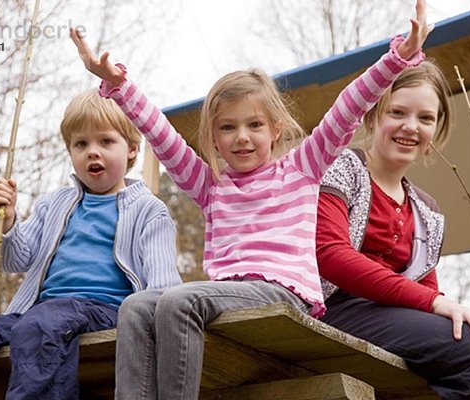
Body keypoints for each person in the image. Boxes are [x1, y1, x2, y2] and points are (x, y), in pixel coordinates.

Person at [71, 1, 431, 398]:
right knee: (136, 307)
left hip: (284, 291)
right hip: (228, 292)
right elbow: (162, 135)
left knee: (178, 302)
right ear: (214, 137)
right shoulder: (212, 185)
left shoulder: (302, 167)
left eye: (254, 124)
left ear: (275, 129)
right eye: (228, 127)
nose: (242, 136)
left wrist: (396, 59)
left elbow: (348, 107)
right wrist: (120, 87)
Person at [316, 59, 470, 399]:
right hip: (338, 309)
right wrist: (436, 303)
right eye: (397, 113)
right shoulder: (340, 167)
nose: (411, 127)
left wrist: (440, 304)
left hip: (396, 320)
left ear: (438, 127)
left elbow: (424, 288)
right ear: (373, 114)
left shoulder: (427, 211)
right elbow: (330, 255)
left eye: (425, 118)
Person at [0, 89, 181, 399]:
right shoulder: (54, 203)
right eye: (81, 144)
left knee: (44, 325)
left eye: (106, 141)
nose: (92, 151)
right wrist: (9, 222)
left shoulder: (147, 209)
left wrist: (152, 328)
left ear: (132, 149)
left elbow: (163, 284)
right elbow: (16, 259)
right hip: (38, 313)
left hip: (105, 312)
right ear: (70, 152)